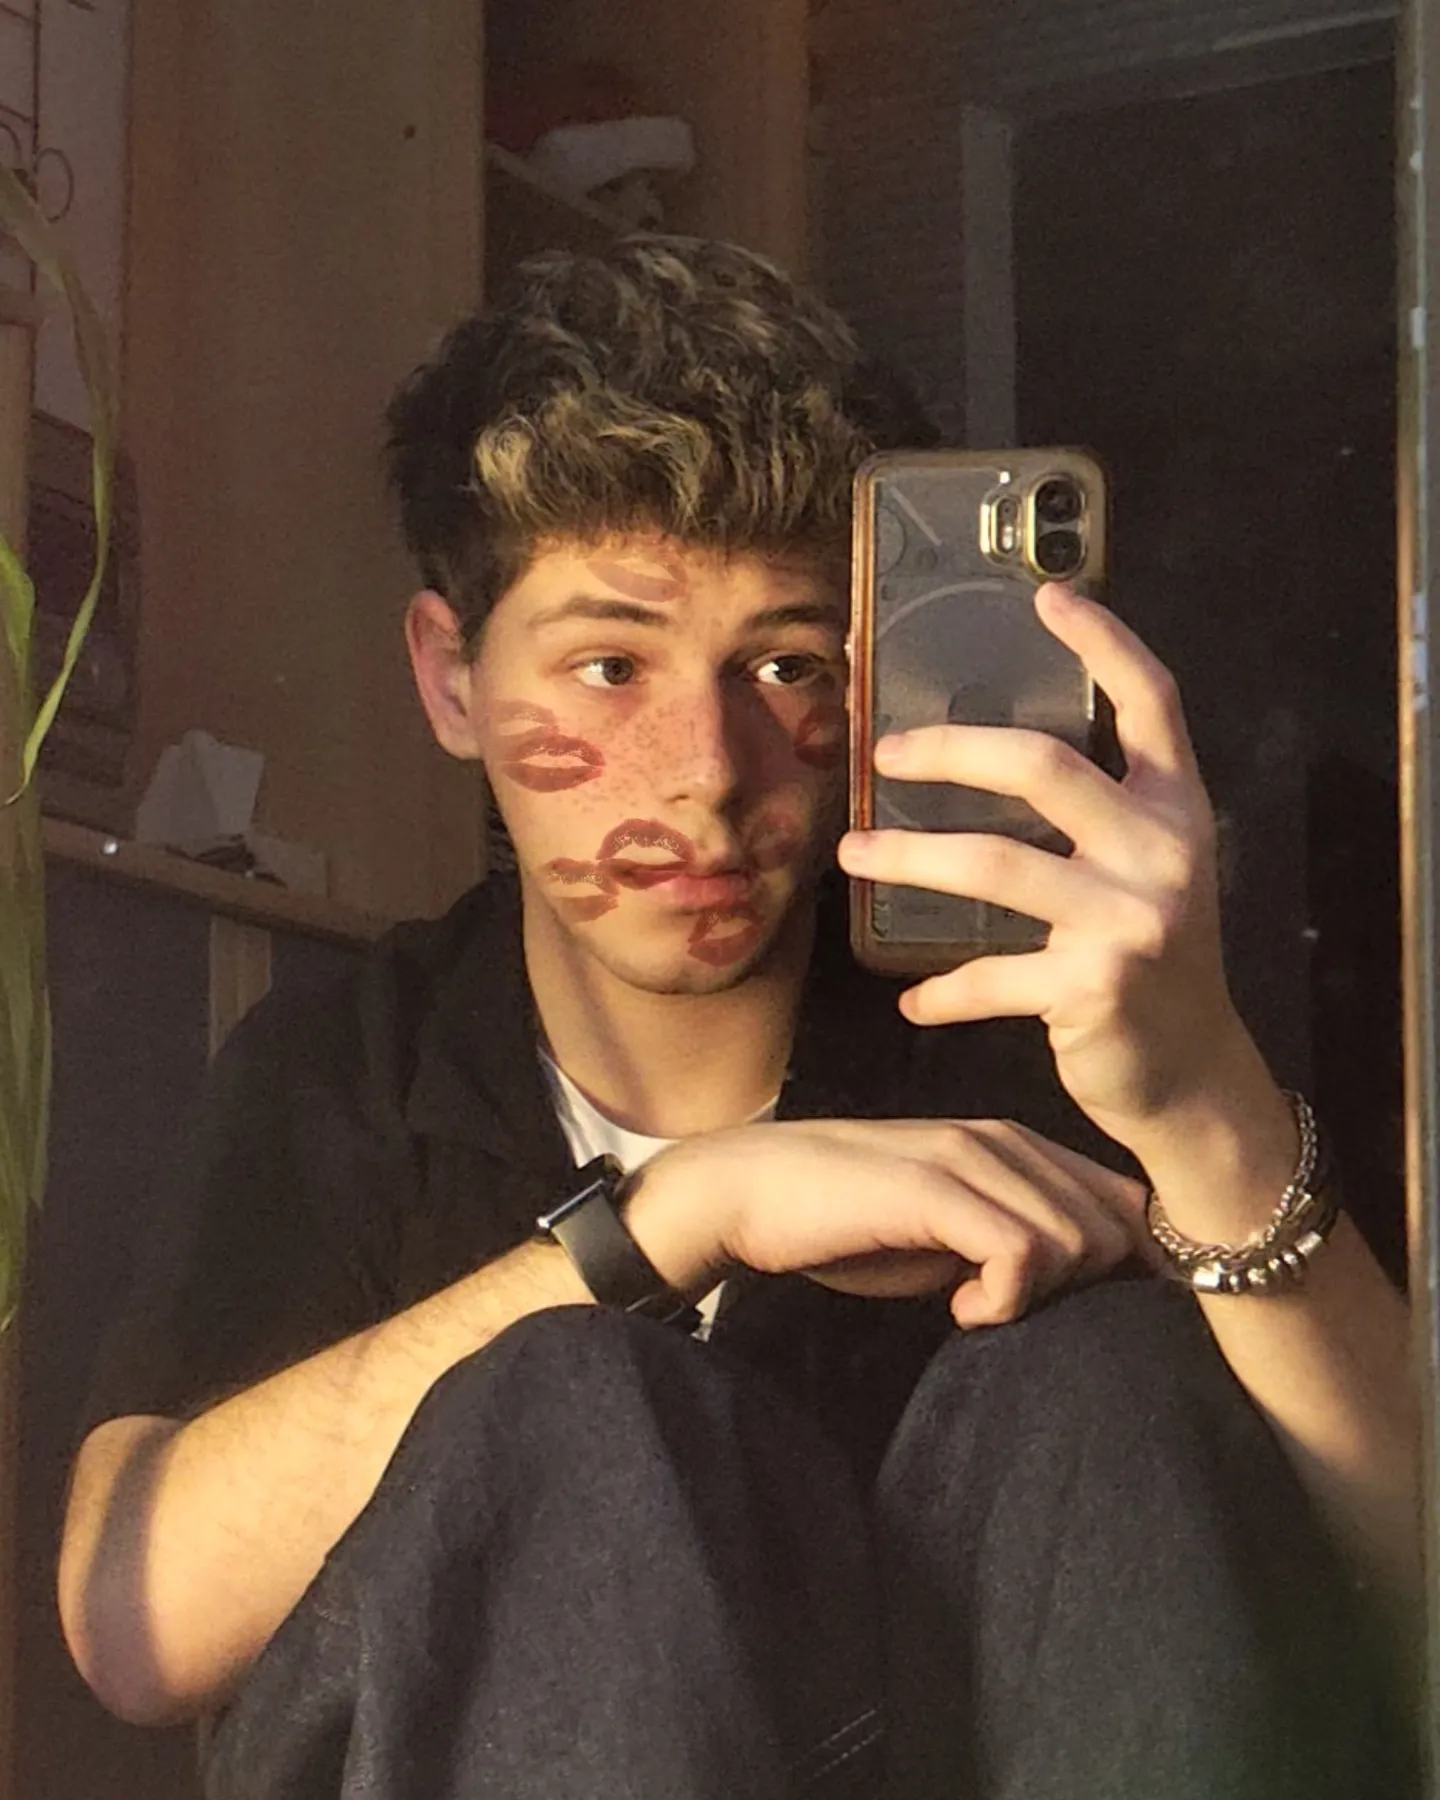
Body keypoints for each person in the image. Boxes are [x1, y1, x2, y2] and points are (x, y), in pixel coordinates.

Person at [58, 238, 1418, 1799]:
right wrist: (674, 1220)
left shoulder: (1032, 1030)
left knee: (1097, 1373)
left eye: (782, 666)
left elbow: (1413, 1599)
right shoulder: (345, 1072)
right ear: (451, 680)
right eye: (609, 664)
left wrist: (1202, 1100)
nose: (706, 770)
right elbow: (131, 1626)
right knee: (567, 1406)